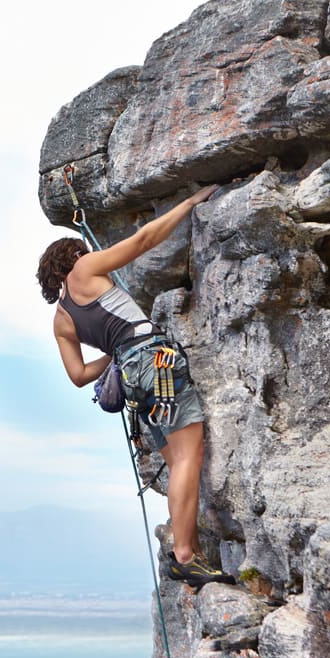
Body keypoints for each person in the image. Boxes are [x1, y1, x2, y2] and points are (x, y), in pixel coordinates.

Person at [36, 185, 233, 588]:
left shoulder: (61, 320)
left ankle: (189, 553)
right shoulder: (85, 268)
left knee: (179, 460)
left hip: (131, 376)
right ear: (73, 257)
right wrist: (189, 202)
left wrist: (114, 352)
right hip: (154, 360)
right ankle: (183, 555)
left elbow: (77, 376)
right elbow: (143, 240)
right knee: (189, 458)